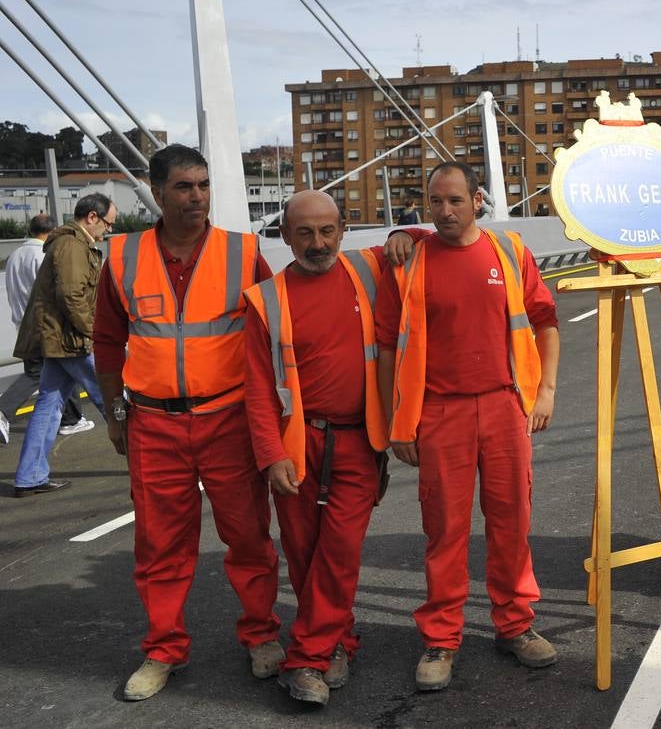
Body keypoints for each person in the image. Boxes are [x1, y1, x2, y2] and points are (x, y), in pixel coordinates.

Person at [93, 144, 282, 701]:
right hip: (155, 424)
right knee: (160, 546)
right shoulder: (123, 257)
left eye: (203, 185)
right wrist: (116, 412)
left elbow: (278, 329)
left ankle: (261, 635)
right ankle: (163, 649)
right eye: (183, 187)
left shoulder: (242, 253)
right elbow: (107, 340)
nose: (197, 197)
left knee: (248, 535)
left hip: (230, 417)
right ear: (156, 192)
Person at [375, 161, 561, 692]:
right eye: (435, 202)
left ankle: (516, 624)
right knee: (445, 531)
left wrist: (544, 391)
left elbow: (545, 321)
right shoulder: (410, 260)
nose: (445, 211)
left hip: (505, 406)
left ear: (478, 199)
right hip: (439, 412)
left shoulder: (510, 252)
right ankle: (441, 637)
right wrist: (398, 422)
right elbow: (388, 344)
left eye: (455, 200)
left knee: (512, 521)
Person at [243, 191, 388, 706]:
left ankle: (305, 659)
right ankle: (338, 642)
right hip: (297, 444)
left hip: (357, 442)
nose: (317, 242)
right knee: (304, 553)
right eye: (304, 233)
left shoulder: (368, 272)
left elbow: (426, 238)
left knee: (340, 551)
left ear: (345, 229)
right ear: (285, 237)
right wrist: (270, 454)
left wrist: (402, 239)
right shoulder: (265, 299)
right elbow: (258, 389)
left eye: (327, 230)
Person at [11, 195, 116, 495]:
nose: (108, 231)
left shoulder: (67, 243)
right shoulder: (72, 245)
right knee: (112, 399)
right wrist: (94, 333)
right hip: (73, 340)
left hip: (57, 339)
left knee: (49, 404)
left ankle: (30, 476)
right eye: (108, 224)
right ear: (92, 217)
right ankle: (148, 464)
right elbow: (72, 295)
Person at [1, 213, 94, 443]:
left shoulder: (15, 255)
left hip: (24, 324)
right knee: (39, 373)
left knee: (59, 373)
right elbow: (55, 292)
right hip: (45, 327)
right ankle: (4, 409)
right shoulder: (43, 255)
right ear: (53, 230)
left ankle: (71, 419)